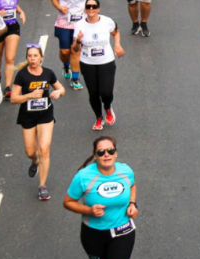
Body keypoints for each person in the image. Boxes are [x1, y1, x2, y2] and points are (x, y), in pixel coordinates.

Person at [64, 136, 138, 259]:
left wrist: (132, 203)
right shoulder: (83, 177)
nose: (107, 155)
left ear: (116, 152)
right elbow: (68, 202)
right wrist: (88, 210)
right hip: (94, 235)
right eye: (101, 152)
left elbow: (132, 185)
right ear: (95, 156)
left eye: (110, 151)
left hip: (122, 232)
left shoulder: (125, 171)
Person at [11, 44, 65, 201]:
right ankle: (35, 161)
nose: (32, 59)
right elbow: (14, 98)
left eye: (35, 56)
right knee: (30, 151)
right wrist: (30, 95)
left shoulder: (48, 73)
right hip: (27, 116)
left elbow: (61, 88)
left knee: (44, 149)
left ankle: (42, 186)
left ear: (41, 57)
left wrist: (58, 92)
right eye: (30, 56)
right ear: (27, 58)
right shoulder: (22, 75)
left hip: (45, 115)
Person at [72, 0, 125, 130]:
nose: (91, 9)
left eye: (94, 6)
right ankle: (98, 118)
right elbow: (75, 49)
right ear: (85, 9)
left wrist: (117, 44)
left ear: (98, 9)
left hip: (106, 61)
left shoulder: (107, 21)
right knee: (93, 93)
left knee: (106, 92)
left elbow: (116, 32)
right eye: (88, 7)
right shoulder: (79, 25)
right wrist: (78, 40)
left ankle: (107, 107)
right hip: (87, 63)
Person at [0, 0, 26, 99]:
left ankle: (7, 87)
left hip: (12, 27)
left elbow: (14, 5)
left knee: (10, 58)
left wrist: (21, 12)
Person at [51, 0, 85, 90]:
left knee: (76, 51)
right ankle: (66, 65)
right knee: (65, 52)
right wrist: (59, 7)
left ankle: (75, 79)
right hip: (64, 23)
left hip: (81, 23)